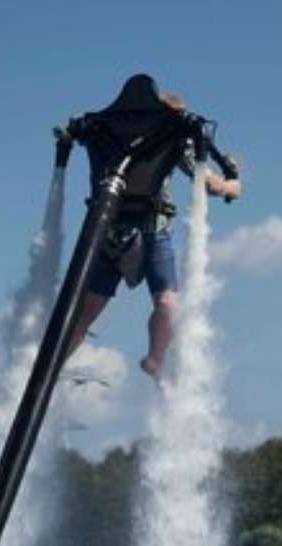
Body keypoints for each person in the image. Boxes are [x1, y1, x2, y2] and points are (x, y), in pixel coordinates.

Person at [67, 86, 241, 381]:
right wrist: (231, 186)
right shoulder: (169, 137)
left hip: (132, 230)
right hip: (126, 232)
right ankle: (56, 362)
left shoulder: (112, 135)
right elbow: (209, 183)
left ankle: (154, 360)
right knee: (146, 306)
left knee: (162, 304)